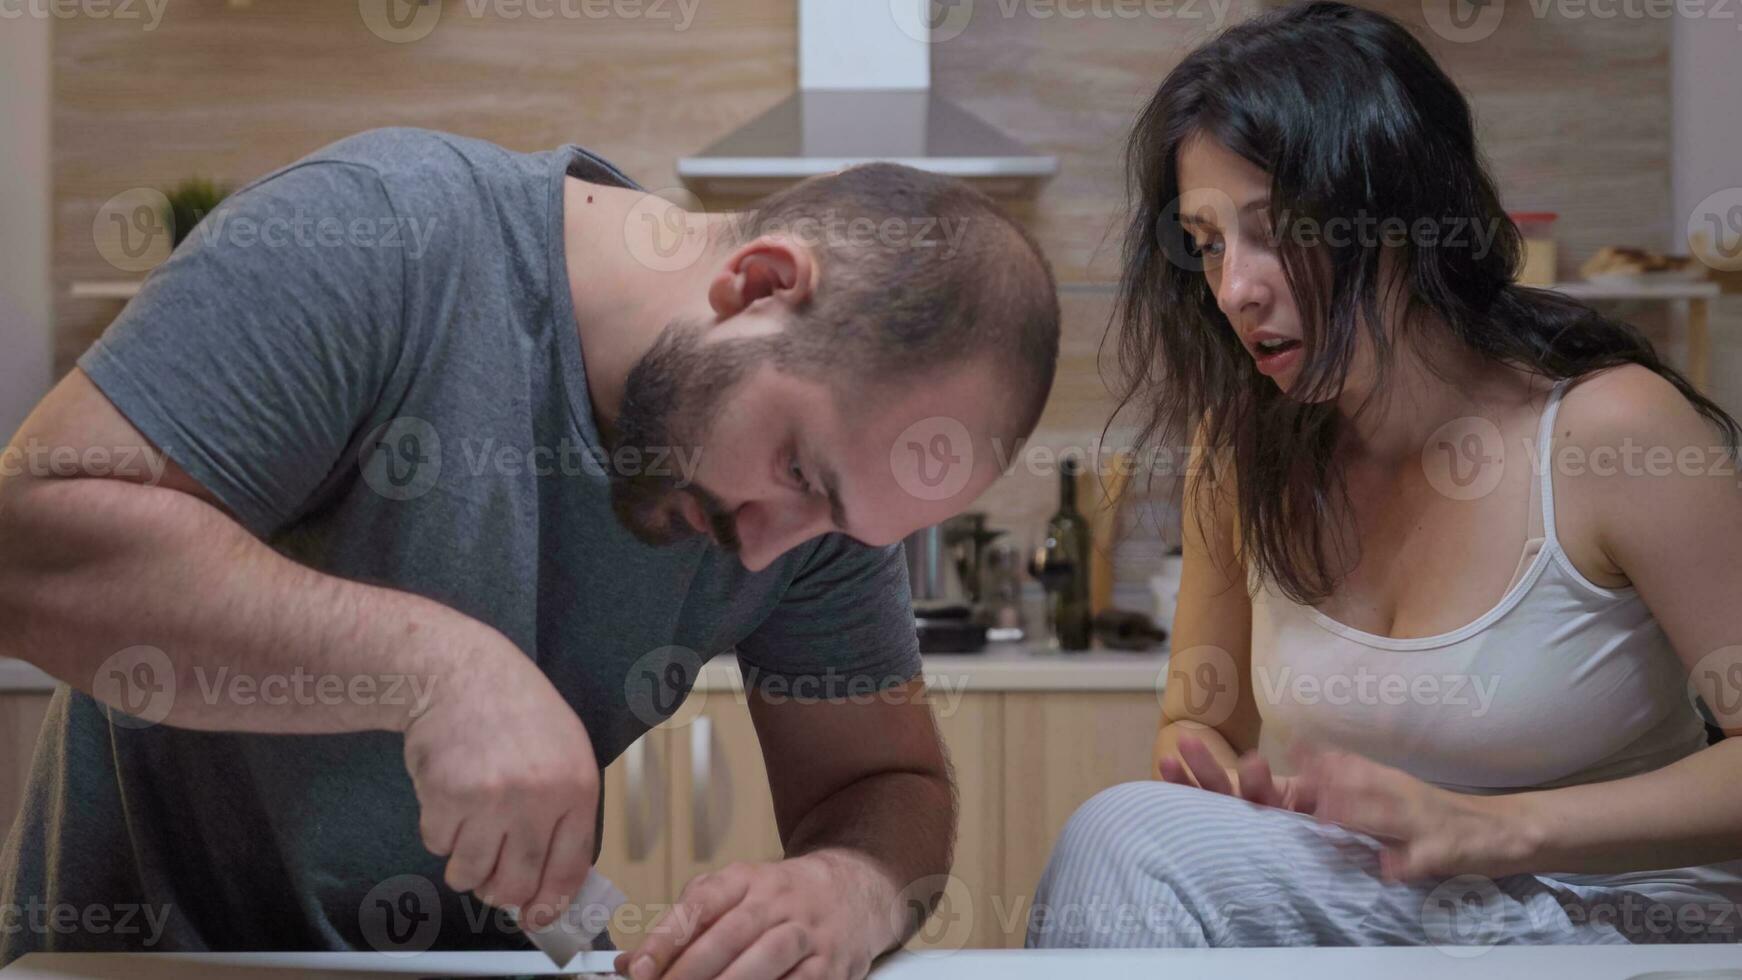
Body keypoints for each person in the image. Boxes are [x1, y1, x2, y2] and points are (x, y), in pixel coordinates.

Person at [0, 126, 1060, 978]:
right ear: (756, 283)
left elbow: (884, 778)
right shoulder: (381, 237)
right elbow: (25, 543)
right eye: (798, 470)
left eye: (840, 523)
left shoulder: (811, 513)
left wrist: (852, 887)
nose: (771, 548)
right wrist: (433, 668)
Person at [1030, 2, 1742, 948]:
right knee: (1122, 837)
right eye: (1206, 243)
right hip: (1402, 913)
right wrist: (1210, 776)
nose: (1236, 286)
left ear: (1402, 217)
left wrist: (1491, 828)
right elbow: (1200, 727)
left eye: (1274, 229)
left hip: (1618, 922)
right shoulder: (1239, 450)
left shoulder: (1613, 430)